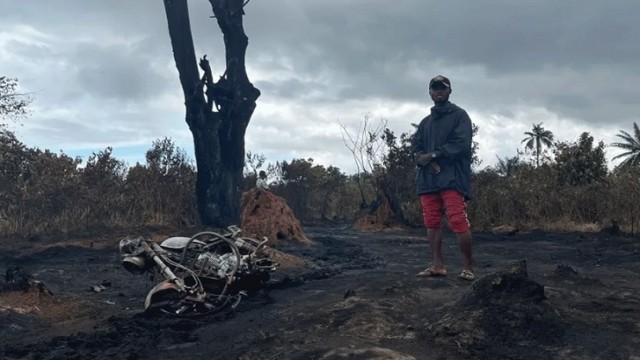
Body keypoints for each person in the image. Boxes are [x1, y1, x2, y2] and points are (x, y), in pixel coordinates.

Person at [412, 75, 475, 281]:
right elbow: (416, 149)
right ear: (430, 92)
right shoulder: (425, 123)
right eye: (434, 88)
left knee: (457, 219)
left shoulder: (460, 116)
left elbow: (461, 144)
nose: (438, 91)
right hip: (428, 180)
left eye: (442, 88)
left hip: (452, 178)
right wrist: (427, 160)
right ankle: (438, 266)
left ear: (449, 91)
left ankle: (468, 268)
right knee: (431, 221)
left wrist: (435, 155)